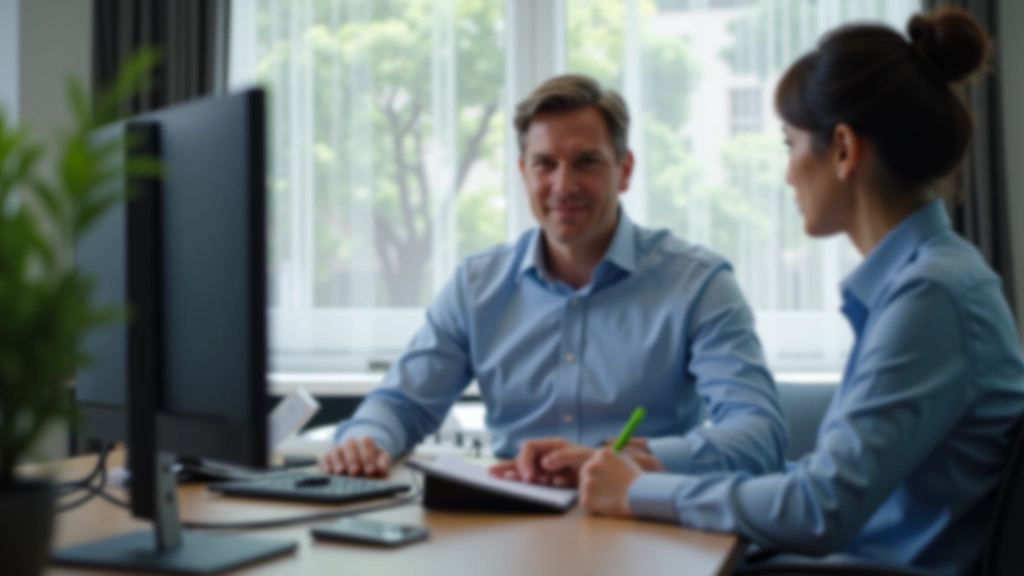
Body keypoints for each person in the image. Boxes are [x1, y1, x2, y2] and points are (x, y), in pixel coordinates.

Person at [542, 9, 1024, 576]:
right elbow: (827, 481)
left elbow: (821, 510)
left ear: (843, 149)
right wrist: (654, 476)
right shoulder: (930, 280)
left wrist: (639, 494)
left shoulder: (931, 295)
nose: (788, 172)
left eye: (789, 142)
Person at [320, 74, 788, 479]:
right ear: (525, 173)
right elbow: (402, 404)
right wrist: (367, 438)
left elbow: (760, 435)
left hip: (649, 517)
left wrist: (633, 460)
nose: (564, 186)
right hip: (514, 519)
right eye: (545, 164)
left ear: (624, 171)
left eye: (587, 162)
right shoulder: (476, 285)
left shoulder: (699, 284)